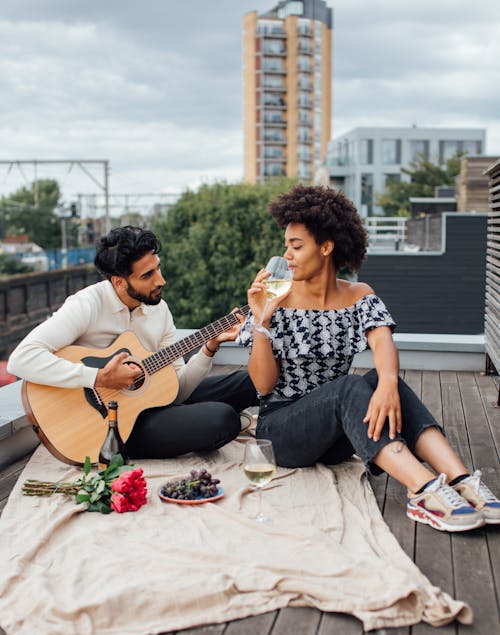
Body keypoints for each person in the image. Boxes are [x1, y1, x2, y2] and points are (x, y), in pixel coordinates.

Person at [237, 185, 500, 533]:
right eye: (286, 245)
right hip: (284, 433)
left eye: (296, 246)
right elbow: (262, 385)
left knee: (381, 381)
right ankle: (423, 489)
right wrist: (262, 322)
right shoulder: (275, 300)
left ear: (326, 247)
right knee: (351, 386)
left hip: (336, 438)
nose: (287, 255)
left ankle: (461, 479)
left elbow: (382, 342)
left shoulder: (359, 295)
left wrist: (389, 383)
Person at [8, 225, 258, 459]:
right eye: (148, 275)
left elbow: (178, 391)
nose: (161, 280)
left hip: (153, 402)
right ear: (118, 281)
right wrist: (98, 377)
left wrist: (209, 346)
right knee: (223, 419)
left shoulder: (159, 310)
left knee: (250, 380)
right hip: (111, 426)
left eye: (158, 268)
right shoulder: (87, 305)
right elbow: (21, 359)